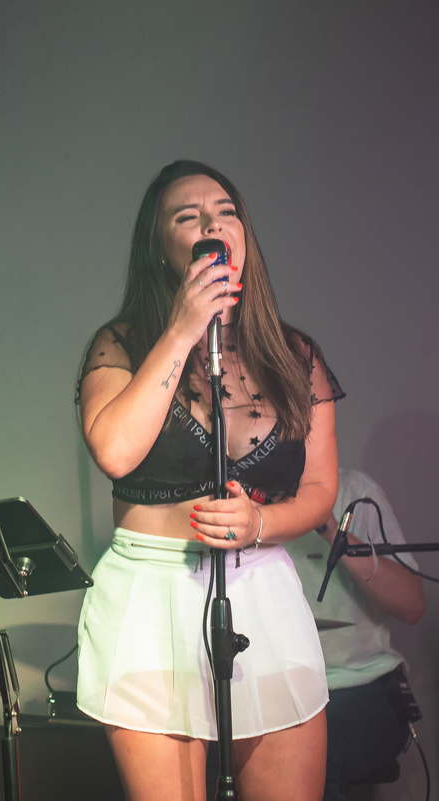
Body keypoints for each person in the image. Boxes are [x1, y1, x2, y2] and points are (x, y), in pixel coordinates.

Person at [75, 160, 343, 801]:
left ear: (244, 235)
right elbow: (114, 451)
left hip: (262, 589)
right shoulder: (122, 344)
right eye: (187, 216)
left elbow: (319, 490)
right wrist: (182, 328)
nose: (211, 225)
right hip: (150, 590)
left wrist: (260, 522)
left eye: (225, 212)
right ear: (159, 245)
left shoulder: (294, 354)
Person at [284, 468, 425, 800]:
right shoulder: (237, 499)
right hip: (273, 691)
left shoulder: (353, 490)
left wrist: (333, 531)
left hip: (360, 685)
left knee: (306, 757)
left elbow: (412, 605)